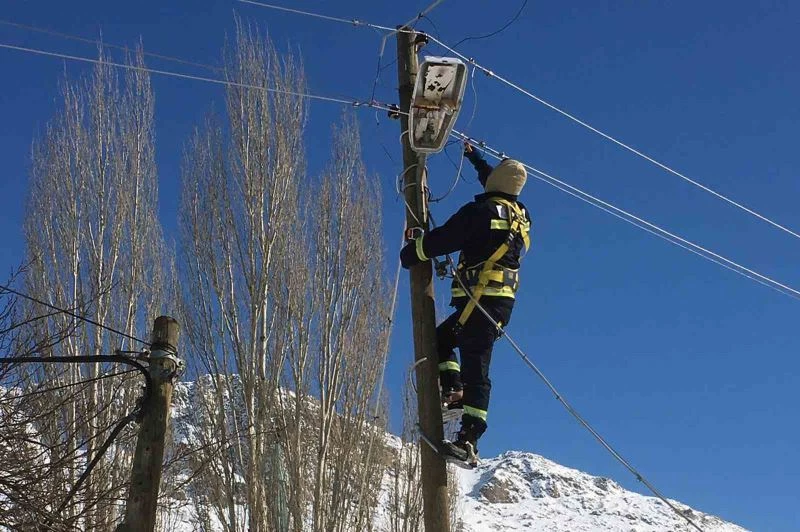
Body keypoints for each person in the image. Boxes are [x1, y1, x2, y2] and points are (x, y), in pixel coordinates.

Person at [400, 142, 531, 465]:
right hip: (494, 304)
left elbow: (444, 238)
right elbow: (497, 183)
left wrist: (412, 253)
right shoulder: (520, 214)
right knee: (441, 341)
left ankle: (469, 439)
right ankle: (455, 392)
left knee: (477, 367)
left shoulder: (481, 213)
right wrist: (475, 158)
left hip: (481, 303)